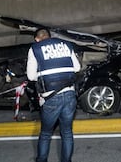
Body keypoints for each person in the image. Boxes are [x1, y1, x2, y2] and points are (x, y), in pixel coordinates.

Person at [26, 28, 81, 162]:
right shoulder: (66, 44)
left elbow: (31, 76)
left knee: (45, 133)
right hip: (70, 94)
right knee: (67, 132)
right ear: (50, 37)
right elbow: (77, 68)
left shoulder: (35, 48)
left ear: (37, 39)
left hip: (51, 97)